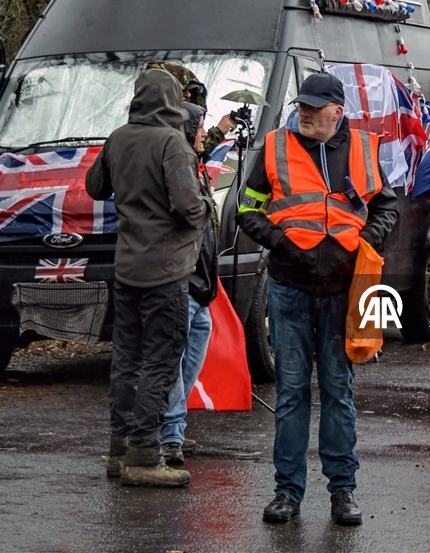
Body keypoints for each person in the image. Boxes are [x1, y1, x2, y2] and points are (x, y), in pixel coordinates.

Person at [237, 72, 399, 526]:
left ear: (337, 112)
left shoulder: (364, 149)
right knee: (291, 393)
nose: (304, 113)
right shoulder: (273, 146)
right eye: (301, 106)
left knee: (337, 391)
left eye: (314, 107)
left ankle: (342, 491)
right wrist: (283, 244)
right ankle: (287, 492)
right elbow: (248, 208)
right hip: (289, 286)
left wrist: (367, 240)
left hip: (342, 290)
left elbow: (388, 206)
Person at [86, 68, 210, 487]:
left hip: (127, 266)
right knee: (160, 360)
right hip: (167, 269)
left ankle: (119, 448)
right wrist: (206, 210)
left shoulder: (118, 137)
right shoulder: (173, 143)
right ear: (173, 99)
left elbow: (95, 187)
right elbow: (187, 205)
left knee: (126, 360)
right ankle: (144, 454)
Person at [160, 103, 218, 466]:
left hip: (200, 286)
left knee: (191, 353)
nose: (203, 135)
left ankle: (172, 427)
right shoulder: (177, 171)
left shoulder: (195, 167)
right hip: (182, 280)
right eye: (200, 128)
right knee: (172, 360)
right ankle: (170, 435)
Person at [146, 61, 236, 154]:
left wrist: (219, 131)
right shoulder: (151, 138)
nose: (188, 95)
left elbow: (190, 149)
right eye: (182, 90)